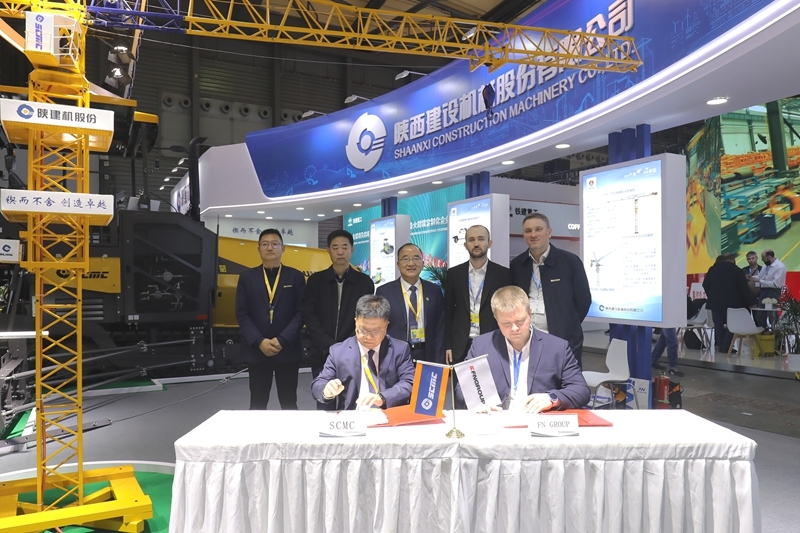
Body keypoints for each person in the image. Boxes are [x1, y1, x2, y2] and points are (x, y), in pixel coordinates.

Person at [455, 286, 590, 412]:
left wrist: (551, 398)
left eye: (520, 321)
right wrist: (479, 403)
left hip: (538, 417)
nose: (514, 328)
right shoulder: (481, 345)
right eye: (506, 323)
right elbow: (463, 387)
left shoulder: (557, 347)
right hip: (495, 416)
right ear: (496, 319)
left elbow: (581, 390)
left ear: (530, 313)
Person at [236, 229, 306, 410]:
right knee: (257, 404)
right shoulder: (247, 277)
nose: (270, 248)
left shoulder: (296, 277)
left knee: (289, 403)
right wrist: (259, 341)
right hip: (258, 351)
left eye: (275, 244)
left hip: (287, 349)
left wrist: (282, 340)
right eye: (265, 244)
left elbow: (301, 313)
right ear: (258, 248)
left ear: (283, 248)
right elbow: (242, 314)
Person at [304, 230, 374, 409]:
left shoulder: (364, 282)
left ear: (352, 249)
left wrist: (345, 346)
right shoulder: (315, 281)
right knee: (324, 401)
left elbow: (365, 318)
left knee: (351, 401)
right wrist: (329, 346)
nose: (340, 252)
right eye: (335, 247)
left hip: (353, 353)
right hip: (321, 352)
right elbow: (310, 317)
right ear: (328, 250)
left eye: (344, 247)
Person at [510, 212, 592, 367]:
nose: (533, 234)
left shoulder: (570, 262)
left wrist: (569, 325)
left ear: (549, 232)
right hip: (527, 340)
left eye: (538, 229)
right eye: (528, 231)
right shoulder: (517, 265)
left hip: (563, 339)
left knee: (564, 379)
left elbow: (583, 300)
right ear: (523, 235)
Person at [311, 294, 415, 410]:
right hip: (353, 415)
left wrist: (382, 397)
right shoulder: (339, 351)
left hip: (388, 414)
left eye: (376, 331)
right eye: (363, 330)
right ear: (356, 322)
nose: (369, 337)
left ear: (386, 326)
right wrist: (326, 390)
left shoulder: (400, 349)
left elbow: (409, 382)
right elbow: (318, 384)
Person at [444, 225, 512, 364]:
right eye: (471, 240)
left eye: (481, 239)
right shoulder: (454, 274)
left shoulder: (503, 274)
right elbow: (448, 312)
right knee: (461, 379)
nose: (476, 244)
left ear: (489, 243)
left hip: (493, 342)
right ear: (465, 245)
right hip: (460, 345)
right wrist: (448, 345)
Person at [376, 243, 445, 364]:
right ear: (398, 264)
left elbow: (440, 327)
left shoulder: (434, 291)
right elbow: (379, 327)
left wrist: (439, 360)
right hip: (396, 356)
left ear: (423, 263)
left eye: (416, 258)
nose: (411, 263)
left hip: (427, 354)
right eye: (405, 259)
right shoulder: (384, 292)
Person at [702, 254, 756, 352]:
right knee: (731, 325)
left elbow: (705, 284)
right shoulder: (736, 270)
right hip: (732, 303)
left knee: (718, 325)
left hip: (715, 303)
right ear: (732, 260)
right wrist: (751, 302)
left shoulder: (712, 269)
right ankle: (726, 346)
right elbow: (744, 289)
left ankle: (720, 346)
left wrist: (711, 296)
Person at [750, 249, 787, 328]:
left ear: (769, 257)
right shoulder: (766, 265)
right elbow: (760, 277)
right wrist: (751, 278)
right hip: (763, 291)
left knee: (772, 313)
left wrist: (760, 281)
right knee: (760, 313)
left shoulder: (780, 266)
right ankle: (763, 330)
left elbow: (776, 284)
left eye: (763, 258)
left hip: (773, 291)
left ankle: (775, 329)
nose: (762, 260)